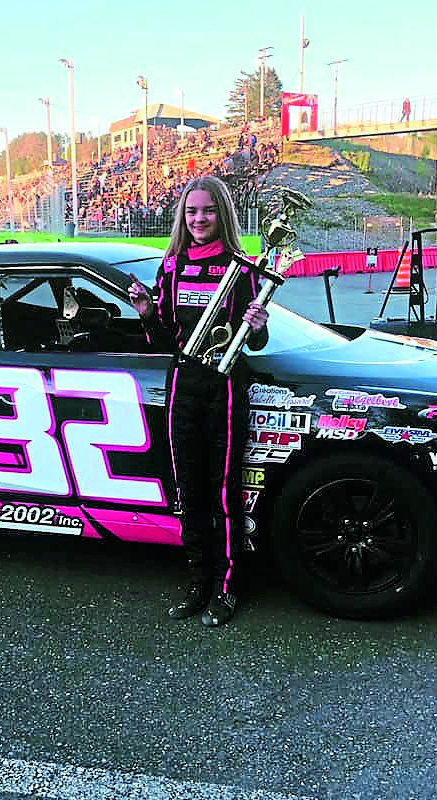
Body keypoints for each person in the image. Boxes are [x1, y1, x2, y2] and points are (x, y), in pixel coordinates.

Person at [127, 175, 269, 628]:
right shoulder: (171, 266)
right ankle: (197, 582)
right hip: (183, 384)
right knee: (188, 489)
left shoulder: (242, 269)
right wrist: (147, 314)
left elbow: (256, 342)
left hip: (223, 386)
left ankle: (227, 588)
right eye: (191, 211)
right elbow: (164, 340)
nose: (199, 219)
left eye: (208, 211)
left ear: (221, 214)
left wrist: (259, 324)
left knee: (222, 491)